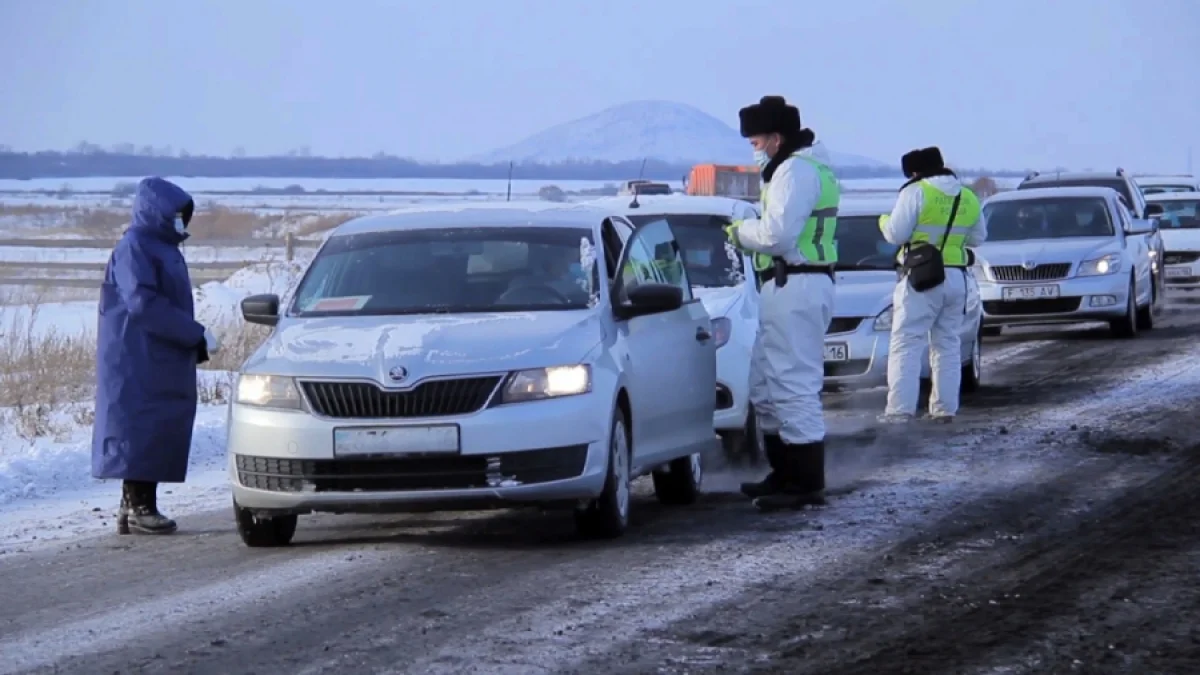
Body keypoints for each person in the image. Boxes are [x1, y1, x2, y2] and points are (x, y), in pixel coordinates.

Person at [723, 95, 840, 511]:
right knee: (765, 383)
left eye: (756, 142)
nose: (754, 151)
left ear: (776, 138)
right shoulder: (792, 169)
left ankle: (806, 480)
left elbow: (777, 236)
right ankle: (784, 471)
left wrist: (740, 232)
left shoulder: (795, 172)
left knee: (792, 383)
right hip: (784, 285)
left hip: (798, 283)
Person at [91, 177, 221, 535]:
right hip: (137, 353)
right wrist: (193, 333)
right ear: (156, 212)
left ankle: (131, 503)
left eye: (182, 215)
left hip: (155, 351)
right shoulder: (136, 246)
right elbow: (142, 303)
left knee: (153, 423)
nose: (180, 221)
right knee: (141, 424)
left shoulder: (160, 246)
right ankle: (140, 505)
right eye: (175, 214)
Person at [877, 147, 986, 424]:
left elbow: (896, 233)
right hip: (957, 278)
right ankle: (944, 409)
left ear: (915, 172)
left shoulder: (915, 191)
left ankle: (900, 411)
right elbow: (978, 238)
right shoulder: (968, 196)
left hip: (921, 276)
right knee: (947, 343)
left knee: (907, 342)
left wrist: (883, 222)